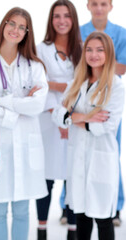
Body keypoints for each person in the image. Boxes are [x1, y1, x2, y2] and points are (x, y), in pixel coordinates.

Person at [0, 7, 48, 240]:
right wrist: (19, 106)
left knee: (22, 209)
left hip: (26, 145)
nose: (16, 30)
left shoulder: (34, 65)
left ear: (27, 33)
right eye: (12, 24)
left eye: (22, 27)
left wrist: (2, 102)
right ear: (3, 25)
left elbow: (37, 106)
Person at [52, 31, 124, 240]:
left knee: (103, 219)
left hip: (101, 160)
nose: (94, 54)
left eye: (100, 50)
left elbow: (107, 126)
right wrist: (84, 117)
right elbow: (58, 115)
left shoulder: (116, 86)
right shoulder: (78, 82)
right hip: (78, 160)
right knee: (81, 216)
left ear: (108, 53)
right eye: (89, 50)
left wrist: (73, 118)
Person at [35, 1, 82, 239]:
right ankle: (42, 229)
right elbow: (38, 84)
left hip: (76, 119)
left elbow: (85, 86)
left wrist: (68, 119)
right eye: (56, 16)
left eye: (66, 16)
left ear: (73, 19)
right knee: (47, 176)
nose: (61, 21)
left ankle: (72, 231)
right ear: (50, 20)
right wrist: (62, 87)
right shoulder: (41, 48)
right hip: (47, 119)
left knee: (73, 175)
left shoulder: (82, 48)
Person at [80, 0, 126, 226]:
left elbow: (122, 67)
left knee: (109, 154)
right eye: (95, 3)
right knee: (78, 160)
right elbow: (78, 66)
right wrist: (81, 119)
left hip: (107, 101)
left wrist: (75, 120)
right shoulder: (79, 32)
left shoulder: (121, 33)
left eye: (104, 3)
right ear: (88, 5)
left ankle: (114, 207)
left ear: (111, 6)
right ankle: (68, 206)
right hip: (85, 91)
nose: (99, 8)